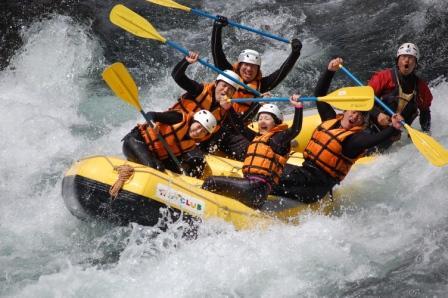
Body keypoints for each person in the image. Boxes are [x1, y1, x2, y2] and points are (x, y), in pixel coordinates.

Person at [271, 58, 404, 203]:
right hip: (304, 174)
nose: (354, 116)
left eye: (360, 116)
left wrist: (393, 128)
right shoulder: (330, 119)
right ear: (345, 111)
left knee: (270, 177)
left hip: (314, 187)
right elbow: (320, 95)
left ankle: (255, 190)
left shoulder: (354, 140)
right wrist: (329, 71)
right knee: (270, 165)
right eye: (353, 112)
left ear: (362, 123)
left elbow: (374, 139)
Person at [210, 16, 303, 159]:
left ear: (258, 69)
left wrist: (295, 53)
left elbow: (282, 72)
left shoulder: (262, 85)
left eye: (253, 67)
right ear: (239, 65)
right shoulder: (228, 75)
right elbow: (217, 53)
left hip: (237, 131)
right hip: (214, 123)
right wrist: (217, 28)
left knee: (255, 151)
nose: (248, 69)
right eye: (245, 65)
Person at [202, 100, 303, 209]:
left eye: (267, 118)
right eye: (260, 118)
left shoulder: (278, 139)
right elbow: (240, 127)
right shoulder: (257, 138)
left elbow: (295, 129)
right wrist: (229, 108)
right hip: (257, 192)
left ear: (276, 122)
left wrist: (298, 108)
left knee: (210, 182)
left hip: (255, 187)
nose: (262, 121)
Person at [367, 42, 433, 151]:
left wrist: (426, 133)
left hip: (392, 134)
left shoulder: (421, 87)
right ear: (397, 61)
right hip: (372, 124)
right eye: (403, 57)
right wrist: (377, 114)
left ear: (415, 63)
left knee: (377, 153)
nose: (406, 60)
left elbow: (425, 111)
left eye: (411, 58)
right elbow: (364, 99)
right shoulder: (384, 77)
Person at [170, 51, 242, 148]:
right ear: (216, 84)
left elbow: (240, 128)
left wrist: (260, 104)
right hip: (173, 129)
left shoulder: (227, 108)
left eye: (230, 90)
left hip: (191, 144)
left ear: (233, 94)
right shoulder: (199, 90)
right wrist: (186, 61)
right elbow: (177, 76)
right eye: (224, 85)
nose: (225, 90)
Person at [122, 109, 217, 178]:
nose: (198, 132)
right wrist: (152, 123)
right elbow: (150, 114)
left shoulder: (190, 143)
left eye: (203, 131)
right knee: (155, 168)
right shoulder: (178, 118)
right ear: (193, 121)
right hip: (135, 142)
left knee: (183, 170)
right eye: (198, 126)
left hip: (152, 153)